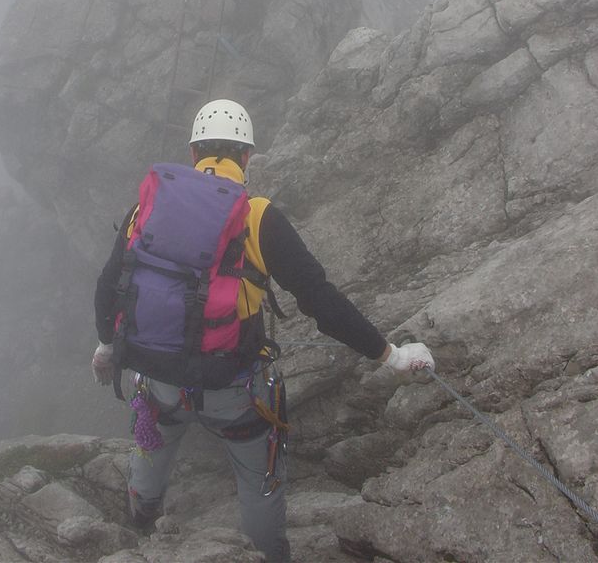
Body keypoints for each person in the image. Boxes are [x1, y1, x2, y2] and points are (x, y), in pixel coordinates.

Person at [92, 99, 434, 562]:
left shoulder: (145, 210)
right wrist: (390, 356)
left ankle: (141, 516)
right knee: (258, 482)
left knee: (153, 437)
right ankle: (264, 555)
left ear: (194, 153)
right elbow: (320, 301)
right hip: (235, 390)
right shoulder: (257, 216)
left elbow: (108, 286)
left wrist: (108, 345)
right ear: (247, 157)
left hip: (159, 379)